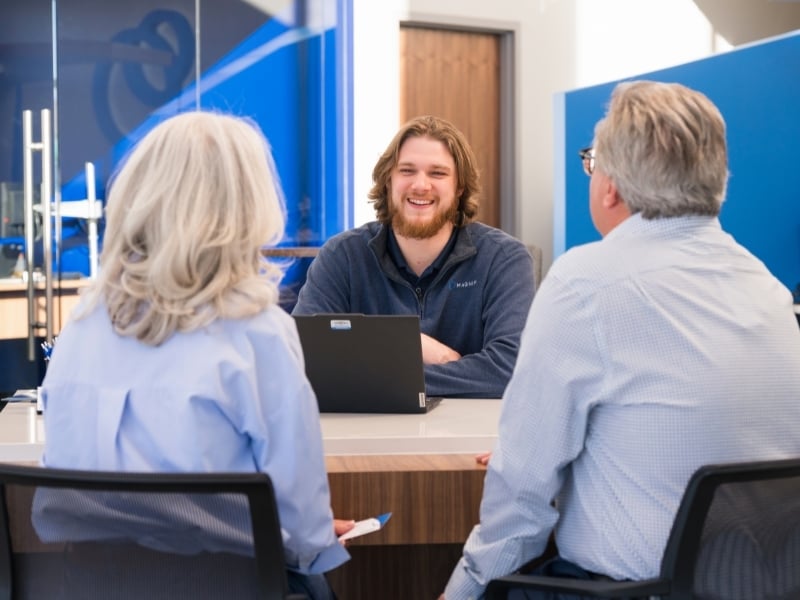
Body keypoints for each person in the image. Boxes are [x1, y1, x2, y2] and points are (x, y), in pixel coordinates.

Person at [442, 80, 800, 598]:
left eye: (592, 164)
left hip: (625, 591)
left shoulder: (586, 282)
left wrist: (463, 590)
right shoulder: (766, 288)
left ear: (610, 186)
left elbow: (519, 502)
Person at [36, 111, 353, 599]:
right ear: (247, 208)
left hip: (88, 585)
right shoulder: (258, 332)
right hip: (226, 586)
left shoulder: (81, 324)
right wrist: (313, 543)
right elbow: (303, 528)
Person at [292, 115, 536, 398]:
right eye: (407, 171)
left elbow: (510, 368)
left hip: (470, 427)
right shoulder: (342, 257)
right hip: (370, 427)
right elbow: (300, 356)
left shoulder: (504, 259)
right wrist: (409, 346)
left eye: (437, 173)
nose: (420, 185)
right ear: (388, 181)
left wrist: (379, 375)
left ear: (459, 187)